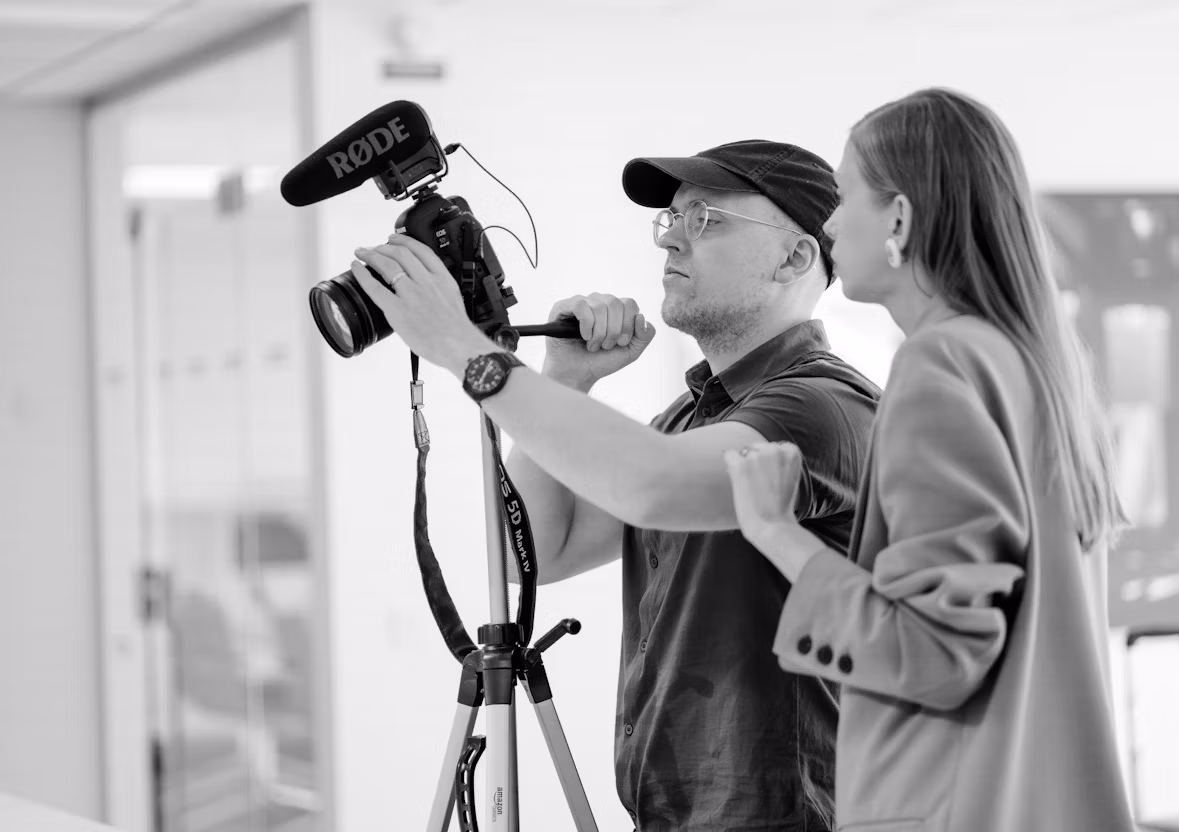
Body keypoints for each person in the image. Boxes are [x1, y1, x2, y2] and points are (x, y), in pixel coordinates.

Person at [350, 140, 881, 831]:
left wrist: (462, 347)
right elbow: (537, 550)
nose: (674, 242)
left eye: (709, 221)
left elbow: (651, 486)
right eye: (674, 220)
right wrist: (565, 375)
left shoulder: (819, 408)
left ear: (796, 257)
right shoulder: (692, 419)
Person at [723, 88, 1135, 832]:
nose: (830, 219)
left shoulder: (940, 362)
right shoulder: (1031, 363)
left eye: (846, 194)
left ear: (901, 219)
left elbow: (937, 652)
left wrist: (774, 531)